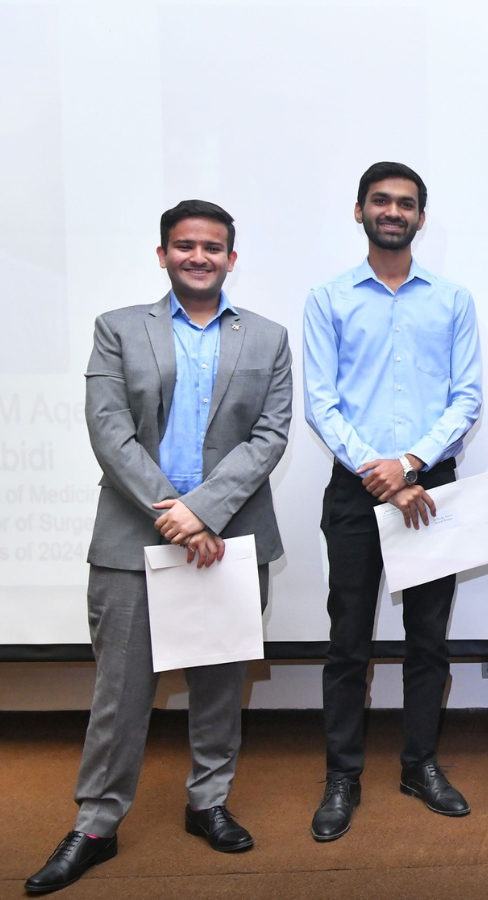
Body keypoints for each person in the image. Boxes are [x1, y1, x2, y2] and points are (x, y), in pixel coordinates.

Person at [25, 201, 292, 894]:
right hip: (131, 538)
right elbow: (108, 427)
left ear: (232, 258)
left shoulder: (267, 337)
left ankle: (208, 802)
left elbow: (270, 436)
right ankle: (95, 824)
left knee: (218, 684)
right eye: (184, 245)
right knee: (121, 692)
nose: (198, 256)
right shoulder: (117, 328)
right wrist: (171, 513)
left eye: (212, 247)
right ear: (163, 253)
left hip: (228, 538)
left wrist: (202, 512)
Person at [303, 161, 482, 841]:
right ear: (360, 212)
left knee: (427, 642)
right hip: (356, 489)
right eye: (380, 201)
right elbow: (322, 400)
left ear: (420, 219)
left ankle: (420, 764)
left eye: (405, 203)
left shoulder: (453, 299)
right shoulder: (328, 298)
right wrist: (379, 473)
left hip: (431, 488)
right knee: (348, 642)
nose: (392, 211)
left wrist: (408, 465)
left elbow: (466, 397)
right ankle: (342, 775)